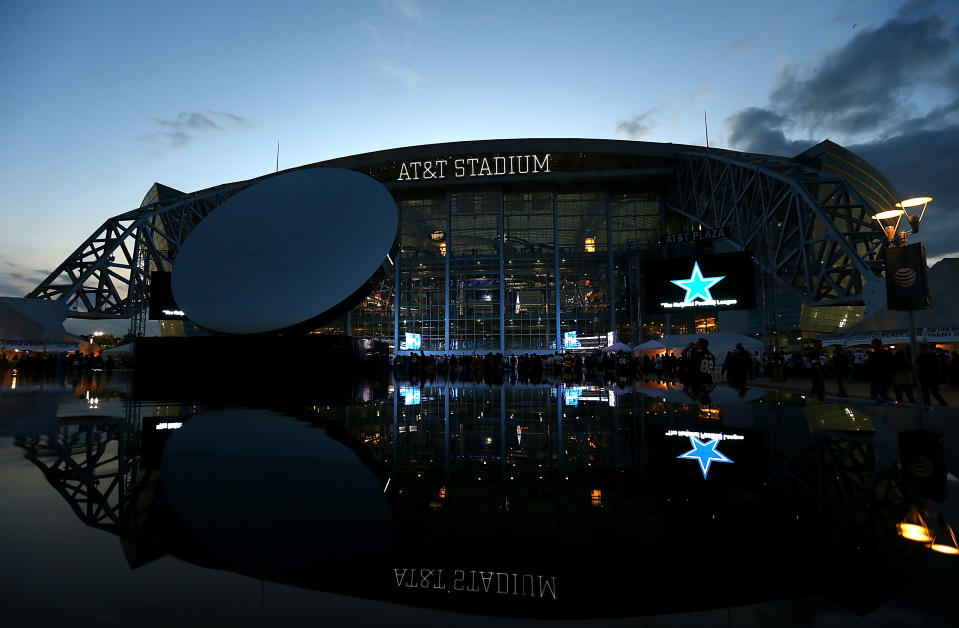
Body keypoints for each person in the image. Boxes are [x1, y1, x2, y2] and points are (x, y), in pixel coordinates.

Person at [865, 339, 893, 403]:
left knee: (874, 396)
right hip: (886, 377)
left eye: (873, 345)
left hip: (877, 377)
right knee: (884, 394)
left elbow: (871, 365)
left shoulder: (874, 355)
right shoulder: (887, 353)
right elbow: (891, 365)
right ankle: (895, 404)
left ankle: (874, 410)